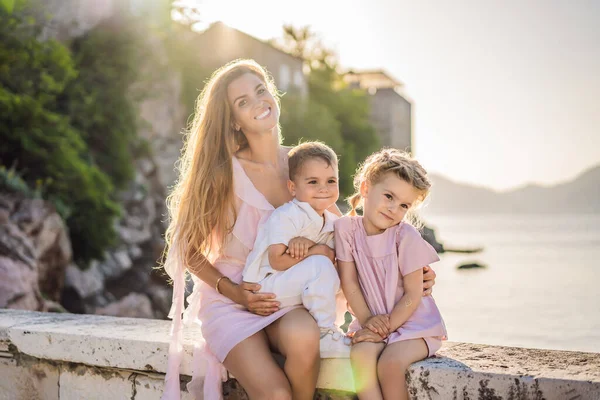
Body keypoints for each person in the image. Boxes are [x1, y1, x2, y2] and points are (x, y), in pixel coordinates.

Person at [161, 59, 437, 400]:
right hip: (233, 301)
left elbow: (349, 234)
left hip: (290, 300)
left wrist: (410, 272)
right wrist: (236, 293)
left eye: (260, 91)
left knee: (307, 336)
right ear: (233, 120)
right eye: (242, 101)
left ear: (273, 95)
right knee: (276, 394)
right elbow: (187, 249)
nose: (258, 102)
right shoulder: (223, 173)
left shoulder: (304, 165)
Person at [334, 148, 447, 400]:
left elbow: (414, 292)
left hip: (414, 325)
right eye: (388, 196)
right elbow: (349, 281)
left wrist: (386, 328)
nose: (394, 208)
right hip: (371, 322)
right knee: (360, 356)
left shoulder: (405, 236)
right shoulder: (345, 229)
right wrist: (367, 321)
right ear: (365, 189)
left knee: (390, 364)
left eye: (404, 205)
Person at [242, 141, 349, 356]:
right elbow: (277, 260)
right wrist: (315, 252)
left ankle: (357, 327)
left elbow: (334, 255)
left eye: (331, 181)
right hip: (265, 288)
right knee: (320, 265)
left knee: (344, 270)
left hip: (293, 288)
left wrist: (312, 246)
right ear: (293, 187)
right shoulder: (286, 215)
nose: (323, 188)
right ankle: (324, 333)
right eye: (313, 182)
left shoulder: (331, 221)